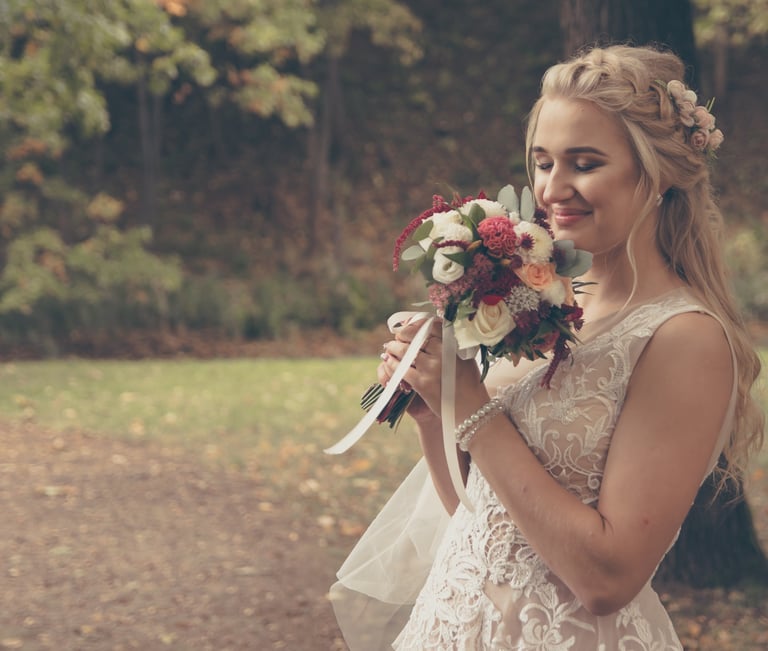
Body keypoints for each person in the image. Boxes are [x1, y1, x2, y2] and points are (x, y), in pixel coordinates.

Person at [329, 44, 764, 650]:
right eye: (542, 163)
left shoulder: (684, 338)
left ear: (657, 173)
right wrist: (437, 411)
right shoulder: (542, 301)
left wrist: (473, 406)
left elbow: (607, 580)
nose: (553, 189)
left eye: (584, 163)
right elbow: (485, 524)